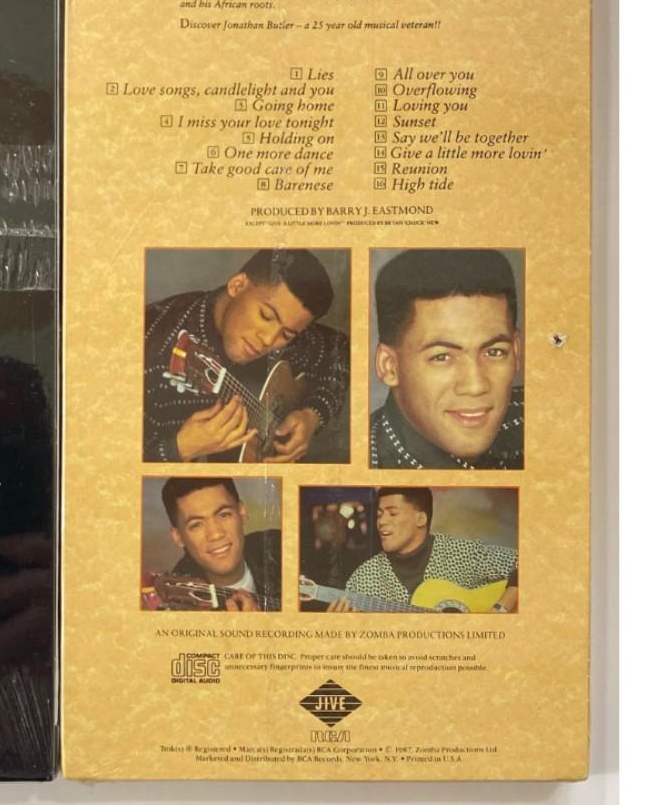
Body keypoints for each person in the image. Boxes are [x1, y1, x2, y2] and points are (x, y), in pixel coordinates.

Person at [143, 249, 349, 463]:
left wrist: (313, 416)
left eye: (286, 335)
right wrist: (179, 449)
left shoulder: (288, 328)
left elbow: (342, 350)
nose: (268, 340)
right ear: (237, 285)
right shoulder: (150, 340)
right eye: (265, 316)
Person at [370, 248, 524, 470]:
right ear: (389, 366)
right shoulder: (361, 462)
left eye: (494, 352)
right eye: (441, 357)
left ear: (516, 351)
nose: (475, 386)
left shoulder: (547, 422)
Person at [325, 488, 518, 613]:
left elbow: (529, 562)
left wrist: (500, 609)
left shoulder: (462, 551)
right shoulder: (363, 581)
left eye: (392, 513)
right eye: (379, 515)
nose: (382, 521)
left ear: (421, 519)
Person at [159, 477, 281, 611]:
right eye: (196, 525)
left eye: (223, 515)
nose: (216, 534)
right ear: (178, 537)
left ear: (242, 512)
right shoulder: (177, 610)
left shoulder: (281, 545)